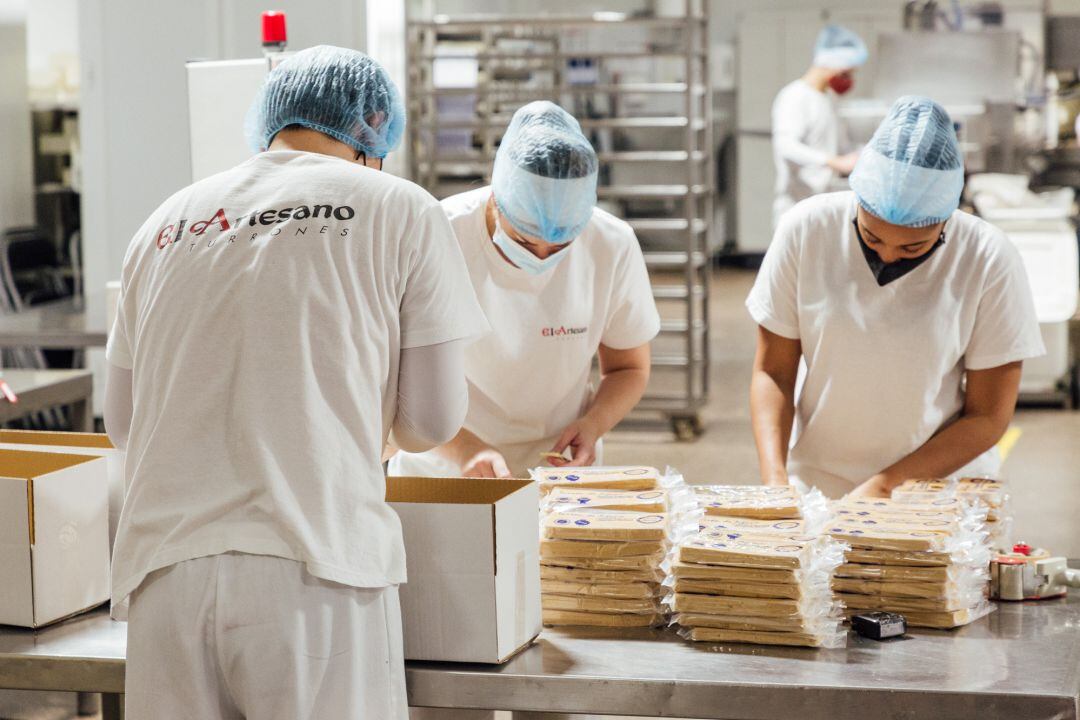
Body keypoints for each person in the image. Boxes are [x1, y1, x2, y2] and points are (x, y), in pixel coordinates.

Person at [104, 46, 487, 720]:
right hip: (316, 568)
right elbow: (430, 420)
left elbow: (124, 424)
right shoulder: (402, 209)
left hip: (165, 576)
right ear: (374, 126)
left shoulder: (163, 223)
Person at [747, 95, 1044, 499]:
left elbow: (988, 416)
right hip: (820, 484)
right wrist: (775, 484)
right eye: (870, 238)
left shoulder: (987, 257)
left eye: (912, 248)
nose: (887, 255)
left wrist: (887, 484)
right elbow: (773, 373)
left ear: (945, 219)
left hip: (936, 491)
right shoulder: (807, 230)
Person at [390, 101, 660, 480]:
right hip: (443, 464)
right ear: (497, 198)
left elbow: (628, 366)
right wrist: (465, 450)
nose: (543, 256)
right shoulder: (440, 234)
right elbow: (395, 375)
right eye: (525, 241)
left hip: (560, 468)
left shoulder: (611, 244)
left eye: (561, 245)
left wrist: (594, 424)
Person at [772, 24, 868, 227]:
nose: (849, 79)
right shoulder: (795, 96)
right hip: (796, 208)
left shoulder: (828, 99)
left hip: (823, 205)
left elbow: (840, 146)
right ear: (830, 64)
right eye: (846, 73)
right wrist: (833, 162)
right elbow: (786, 146)